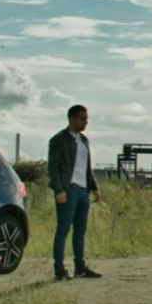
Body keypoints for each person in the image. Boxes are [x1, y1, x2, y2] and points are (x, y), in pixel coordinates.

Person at [48, 104, 102, 280]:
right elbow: (53, 168)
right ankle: (59, 269)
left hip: (83, 190)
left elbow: (87, 167)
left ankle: (80, 268)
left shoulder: (84, 140)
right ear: (72, 118)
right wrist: (59, 190)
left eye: (87, 118)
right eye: (82, 118)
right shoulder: (59, 140)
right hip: (68, 189)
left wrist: (94, 187)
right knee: (63, 229)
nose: (86, 122)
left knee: (80, 230)